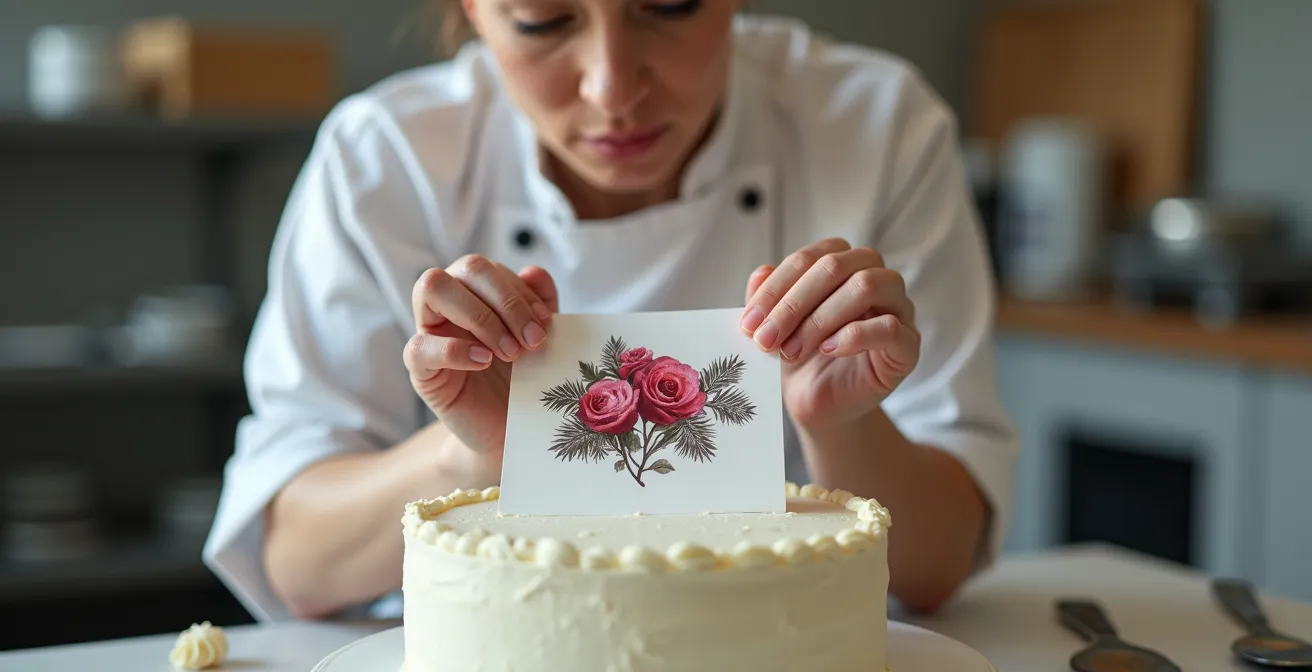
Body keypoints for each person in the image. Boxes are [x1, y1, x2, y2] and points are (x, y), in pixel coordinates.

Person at [203, 0, 1018, 623]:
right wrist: (479, 455)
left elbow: (934, 565)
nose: (613, 87)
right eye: (542, 20)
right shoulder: (386, 159)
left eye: (668, 6)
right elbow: (295, 559)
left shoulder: (875, 129)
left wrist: (839, 423)